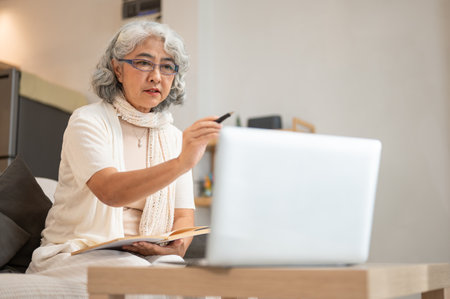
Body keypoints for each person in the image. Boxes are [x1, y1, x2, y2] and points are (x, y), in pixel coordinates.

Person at [27, 20, 221, 285]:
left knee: (209, 286)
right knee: (137, 279)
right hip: (81, 251)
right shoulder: (88, 120)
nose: (156, 76)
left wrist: (176, 248)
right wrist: (180, 163)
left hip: (151, 258)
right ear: (117, 69)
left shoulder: (175, 137)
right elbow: (110, 191)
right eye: (144, 63)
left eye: (167, 67)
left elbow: (183, 216)